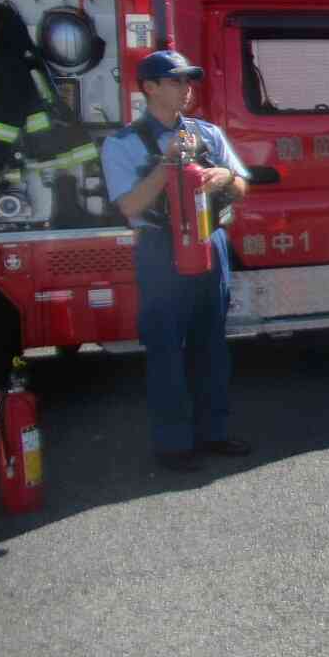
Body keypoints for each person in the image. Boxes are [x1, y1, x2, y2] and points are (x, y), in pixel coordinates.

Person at [101, 50, 251, 473]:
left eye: (188, 81)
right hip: (161, 250)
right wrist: (168, 165)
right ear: (148, 87)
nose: (187, 88)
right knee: (167, 349)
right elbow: (129, 202)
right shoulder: (123, 144)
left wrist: (223, 177)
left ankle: (215, 433)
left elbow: (241, 186)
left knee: (212, 345)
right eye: (175, 81)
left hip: (210, 244)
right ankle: (173, 443)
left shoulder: (208, 132)